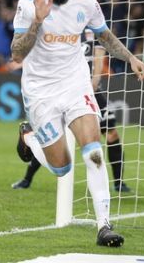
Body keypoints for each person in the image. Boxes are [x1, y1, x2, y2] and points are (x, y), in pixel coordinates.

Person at [11, 0, 144, 247]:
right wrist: (37, 20)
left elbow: (105, 36)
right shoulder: (27, 3)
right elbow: (17, 54)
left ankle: (104, 226)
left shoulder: (86, 1)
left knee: (94, 151)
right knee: (62, 167)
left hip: (76, 84)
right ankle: (30, 138)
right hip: (40, 91)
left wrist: (130, 59)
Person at [12, 29, 131, 193]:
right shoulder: (62, 25)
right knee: (52, 137)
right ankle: (27, 178)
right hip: (61, 91)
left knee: (111, 133)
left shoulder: (89, 21)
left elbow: (99, 52)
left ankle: (119, 183)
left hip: (89, 91)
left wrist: (95, 79)